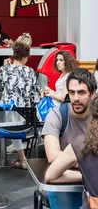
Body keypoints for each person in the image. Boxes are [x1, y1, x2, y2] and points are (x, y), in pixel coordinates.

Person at [42, 68, 96, 208]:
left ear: (92, 94)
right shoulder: (58, 115)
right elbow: (53, 156)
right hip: (65, 179)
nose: (76, 98)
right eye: (72, 92)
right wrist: (86, 168)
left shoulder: (95, 118)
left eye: (81, 92)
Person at [0, 42, 41, 169]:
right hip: (26, 120)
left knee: (5, 114)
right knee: (18, 115)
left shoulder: (5, 69)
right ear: (26, 57)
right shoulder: (30, 72)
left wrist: (3, 69)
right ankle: (24, 159)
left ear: (13, 55)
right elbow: (36, 97)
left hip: (6, 119)